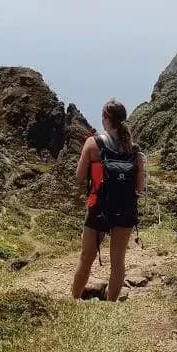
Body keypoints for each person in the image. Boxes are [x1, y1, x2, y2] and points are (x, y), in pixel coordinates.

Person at [71, 100, 146, 301]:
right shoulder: (134, 149)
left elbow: (79, 176)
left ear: (105, 118)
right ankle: (111, 306)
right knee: (118, 261)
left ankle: (73, 302)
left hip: (98, 208)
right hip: (125, 210)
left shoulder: (93, 143)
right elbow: (140, 188)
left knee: (86, 258)